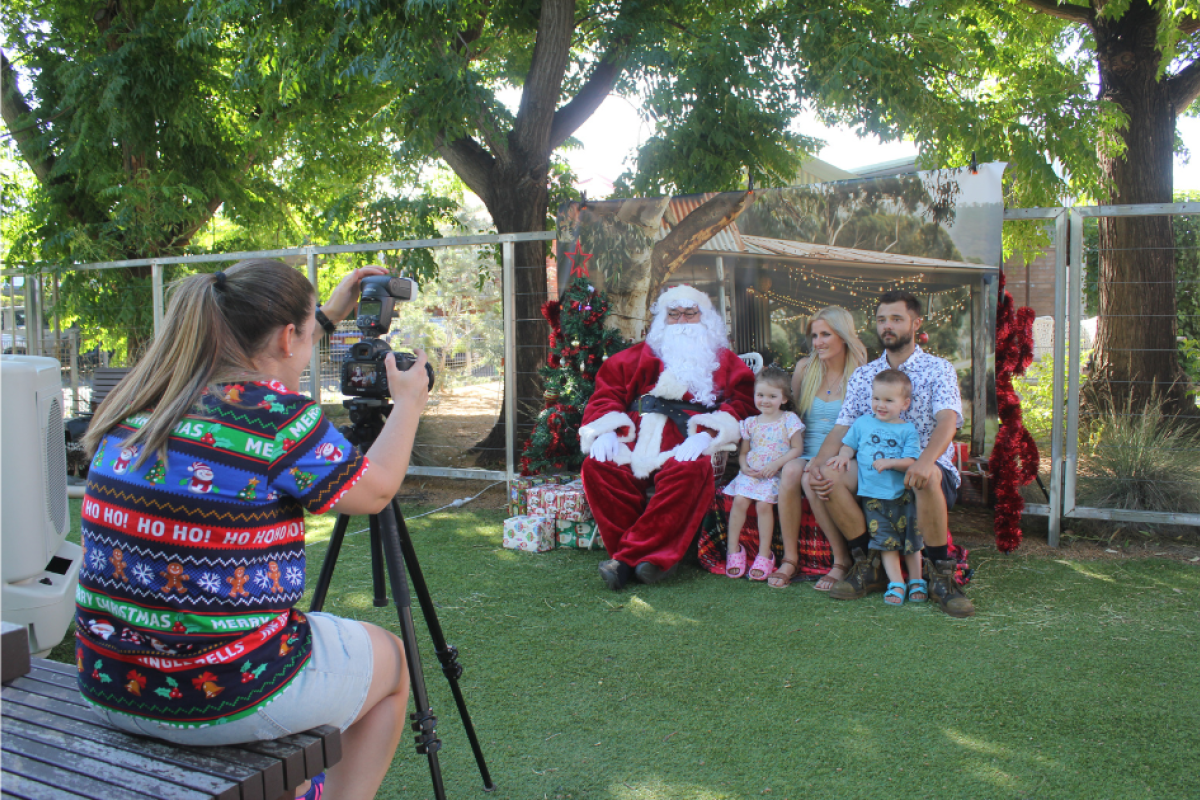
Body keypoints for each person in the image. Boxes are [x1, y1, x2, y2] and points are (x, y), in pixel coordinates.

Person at [77, 259, 430, 800]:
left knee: (273, 640)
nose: (313, 348)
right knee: (393, 663)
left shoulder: (140, 404)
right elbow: (376, 488)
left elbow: (271, 354)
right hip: (221, 695)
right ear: (289, 337)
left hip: (111, 682)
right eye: (312, 336)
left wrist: (327, 314)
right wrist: (409, 401)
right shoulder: (277, 418)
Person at [805, 290, 974, 617]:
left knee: (929, 475)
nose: (888, 326)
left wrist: (924, 462)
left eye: (896, 318)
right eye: (882, 319)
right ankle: (868, 566)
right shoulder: (865, 375)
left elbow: (948, 420)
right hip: (874, 471)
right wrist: (817, 463)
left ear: (915, 322)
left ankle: (940, 576)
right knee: (827, 475)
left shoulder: (938, 369)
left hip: (925, 470)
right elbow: (843, 427)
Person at [579, 284, 757, 590]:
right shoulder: (632, 357)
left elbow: (742, 403)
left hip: (686, 438)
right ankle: (648, 560)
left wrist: (708, 434)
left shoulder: (725, 360)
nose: (682, 322)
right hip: (633, 437)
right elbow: (606, 394)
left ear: (706, 319)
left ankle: (624, 561)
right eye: (674, 315)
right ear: (662, 320)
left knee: (693, 471)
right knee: (598, 467)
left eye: (690, 314)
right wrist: (605, 431)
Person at [768, 306, 868, 589]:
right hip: (806, 449)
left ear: (843, 336)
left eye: (826, 334)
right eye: (814, 335)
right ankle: (790, 558)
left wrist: (836, 457)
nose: (818, 342)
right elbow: (794, 418)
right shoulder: (805, 368)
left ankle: (840, 560)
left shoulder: (860, 372)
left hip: (842, 454)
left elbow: (862, 425)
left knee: (815, 477)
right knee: (790, 472)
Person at [826, 370, 925, 606]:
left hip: (902, 497)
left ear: (905, 403)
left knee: (911, 542)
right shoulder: (862, 423)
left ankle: (917, 580)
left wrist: (891, 463)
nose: (880, 405)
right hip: (872, 498)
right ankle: (896, 583)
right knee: (885, 543)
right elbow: (849, 445)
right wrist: (843, 457)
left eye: (889, 400)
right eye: (876, 398)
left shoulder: (907, 430)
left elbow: (912, 461)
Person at [722, 365, 805, 581]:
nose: (765, 400)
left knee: (763, 505)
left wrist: (777, 464)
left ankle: (764, 554)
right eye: (760, 395)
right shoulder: (750, 423)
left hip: (773, 474)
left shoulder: (788, 420)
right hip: (751, 473)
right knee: (740, 501)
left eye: (772, 396)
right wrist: (742, 465)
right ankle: (733, 550)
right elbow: (744, 452)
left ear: (784, 398)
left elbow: (797, 449)